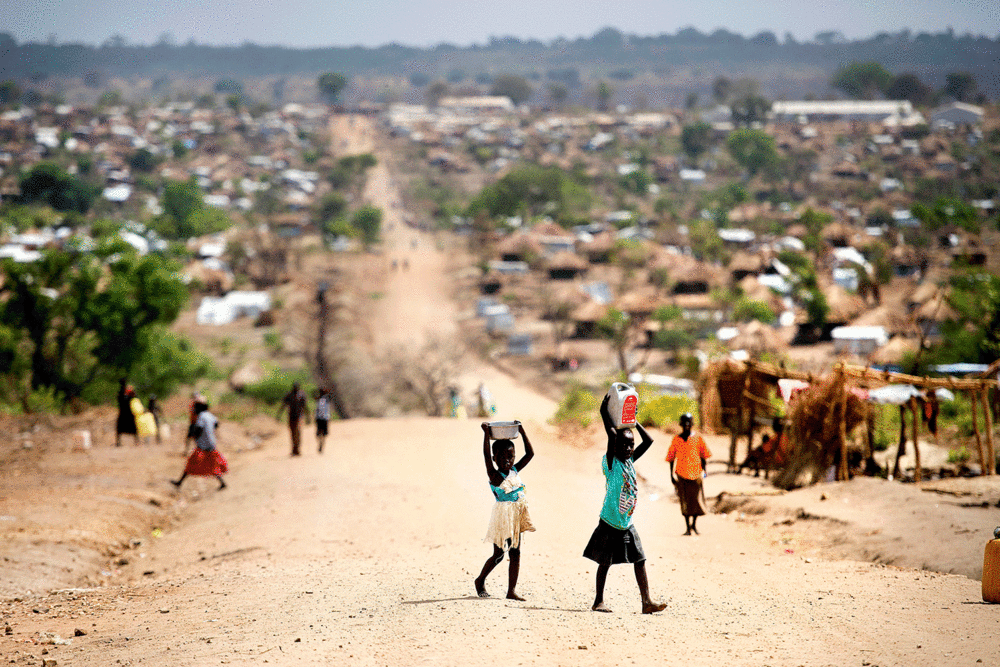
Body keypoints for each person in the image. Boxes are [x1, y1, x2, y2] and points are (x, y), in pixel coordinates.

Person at [583, 394, 667, 614]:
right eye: (625, 444)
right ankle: (598, 601)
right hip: (610, 521)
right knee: (605, 563)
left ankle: (646, 601)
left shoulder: (629, 461)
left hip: (626, 522)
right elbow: (612, 435)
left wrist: (633, 421)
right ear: (615, 446)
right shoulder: (612, 464)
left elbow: (648, 441)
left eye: (631, 445)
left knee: (640, 559)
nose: (629, 448)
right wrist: (604, 412)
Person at [475, 422, 535, 600]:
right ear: (495, 459)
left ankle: (511, 591)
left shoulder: (515, 470)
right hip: (503, 518)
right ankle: (480, 580)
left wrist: (522, 430)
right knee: (499, 554)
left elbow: (530, 454)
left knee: (515, 552)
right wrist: (486, 434)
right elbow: (486, 455)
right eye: (502, 457)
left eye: (511, 456)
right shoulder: (494, 475)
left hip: (516, 516)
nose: (507, 460)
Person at [666, 413, 712, 536]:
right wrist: (671, 476)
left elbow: (703, 455)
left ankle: (694, 526)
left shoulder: (698, 438)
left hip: (696, 474)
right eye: (684, 423)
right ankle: (687, 527)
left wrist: (705, 471)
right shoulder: (676, 439)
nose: (687, 425)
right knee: (685, 502)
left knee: (696, 501)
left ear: (691, 424)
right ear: (681, 424)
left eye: (689, 423)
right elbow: (671, 458)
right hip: (681, 474)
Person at [172, 400, 227, 490]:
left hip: (203, 445)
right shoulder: (210, 415)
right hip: (211, 443)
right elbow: (216, 424)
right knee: (212, 464)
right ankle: (222, 483)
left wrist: (194, 435)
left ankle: (179, 482)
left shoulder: (201, 416)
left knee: (192, 463)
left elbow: (199, 428)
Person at [276, 381, 310, 456]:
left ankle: (297, 449)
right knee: (292, 433)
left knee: (298, 432)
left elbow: (305, 406)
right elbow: (283, 405)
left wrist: (308, 416)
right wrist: (279, 415)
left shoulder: (301, 395)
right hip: (291, 416)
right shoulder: (289, 395)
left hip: (299, 416)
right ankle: (294, 449)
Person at [115, 378, 138, 447]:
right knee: (132, 427)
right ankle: (136, 441)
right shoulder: (126, 392)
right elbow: (134, 397)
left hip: (123, 413)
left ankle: (118, 442)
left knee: (120, 428)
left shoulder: (121, 392)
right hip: (128, 412)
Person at [315, 387, 331, 453]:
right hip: (321, 418)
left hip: (323, 418)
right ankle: (321, 443)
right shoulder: (319, 399)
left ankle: (321, 444)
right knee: (319, 433)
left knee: (322, 433)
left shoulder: (326, 399)